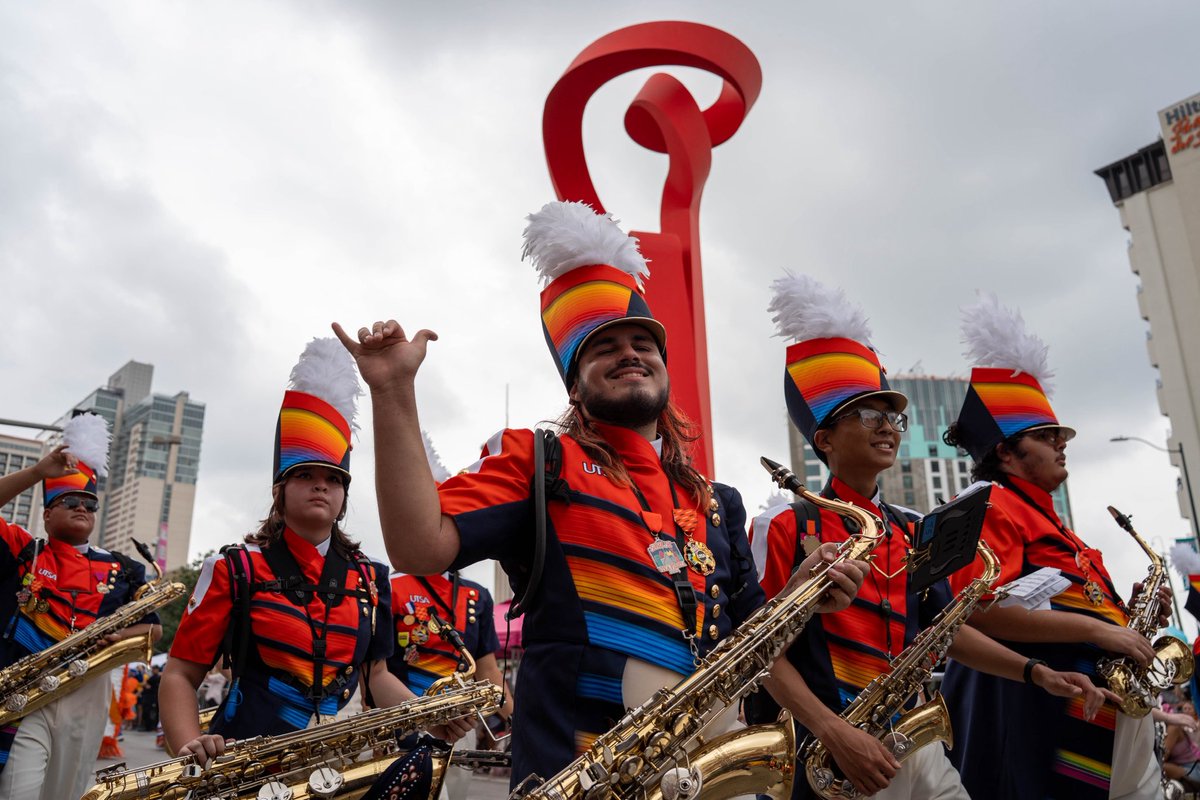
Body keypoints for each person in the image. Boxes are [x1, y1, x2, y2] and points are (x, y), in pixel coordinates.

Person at [335, 201, 868, 788]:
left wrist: (800, 595)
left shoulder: (717, 501)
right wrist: (392, 393)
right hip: (581, 773)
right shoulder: (539, 460)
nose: (630, 353)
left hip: (709, 775)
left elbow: (750, 640)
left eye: (644, 342)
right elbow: (417, 547)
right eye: (605, 347)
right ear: (575, 381)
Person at [748, 275, 1110, 799]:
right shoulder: (787, 525)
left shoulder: (913, 528)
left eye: (895, 415)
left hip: (914, 738)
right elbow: (762, 654)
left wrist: (1034, 673)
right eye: (868, 414)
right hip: (836, 755)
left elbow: (944, 635)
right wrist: (834, 731)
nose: (889, 426)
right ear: (823, 439)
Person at [161, 338, 472, 767]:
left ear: (344, 495)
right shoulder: (234, 568)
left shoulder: (370, 578)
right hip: (242, 769)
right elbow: (180, 673)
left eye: (334, 478)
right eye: (305, 475)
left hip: (339, 770)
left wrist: (425, 718)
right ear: (278, 490)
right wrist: (188, 748)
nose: (321, 485)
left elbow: (375, 676)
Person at [940, 291, 1168, 800]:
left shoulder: (1048, 515)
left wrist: (1126, 620)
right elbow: (972, 612)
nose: (1063, 442)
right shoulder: (989, 504)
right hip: (1031, 702)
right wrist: (1100, 630)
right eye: (1047, 435)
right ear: (1006, 450)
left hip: (1095, 697)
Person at [0, 413, 162, 800]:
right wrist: (39, 471)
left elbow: (154, 629)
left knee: (66, 794)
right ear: (47, 514)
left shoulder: (125, 567)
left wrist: (122, 635)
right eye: (70, 500)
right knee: (16, 790)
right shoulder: (25, 550)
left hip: (87, 690)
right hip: (23, 690)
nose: (82, 508)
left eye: (90, 503)